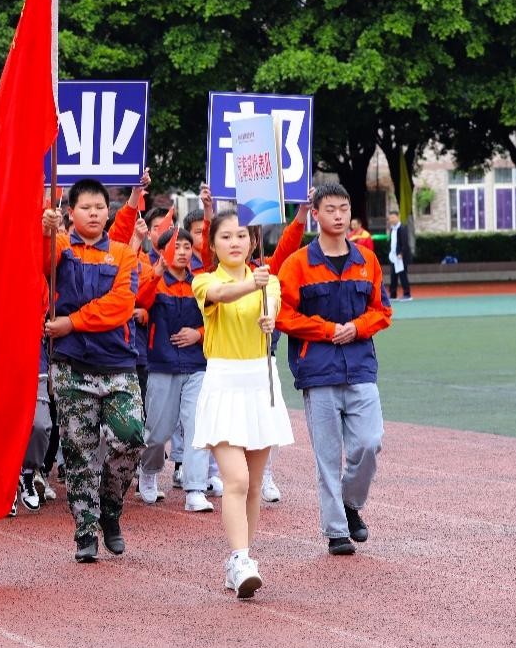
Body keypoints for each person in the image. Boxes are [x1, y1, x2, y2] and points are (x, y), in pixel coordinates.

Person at [276, 183, 392, 556]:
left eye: (344, 208)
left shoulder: (366, 261)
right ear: (316, 214)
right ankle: (336, 531)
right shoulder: (298, 264)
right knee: (327, 455)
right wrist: (327, 331)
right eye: (330, 209)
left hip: (360, 368)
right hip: (318, 370)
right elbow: (283, 315)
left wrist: (357, 328)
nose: (339, 215)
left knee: (369, 443)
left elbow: (382, 310)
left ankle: (351, 503)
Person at [41, 179, 147, 563]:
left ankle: (110, 508)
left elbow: (121, 304)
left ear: (108, 211)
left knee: (132, 436)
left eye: (99, 207)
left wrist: (73, 322)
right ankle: (85, 532)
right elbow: (40, 264)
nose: (93, 213)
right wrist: (44, 230)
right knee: (78, 453)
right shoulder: (62, 246)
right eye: (85, 207)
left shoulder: (122, 253)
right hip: (70, 366)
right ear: (71, 212)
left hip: (117, 363)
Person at [191, 211, 294, 598]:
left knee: (252, 485)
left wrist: (269, 319)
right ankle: (239, 558)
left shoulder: (271, 282)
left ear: (253, 242)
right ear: (214, 243)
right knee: (234, 479)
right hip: (223, 384)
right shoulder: (205, 282)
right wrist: (254, 284)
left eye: (242, 236)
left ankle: (243, 557)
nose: (235, 242)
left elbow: (273, 313)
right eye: (225, 236)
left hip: (260, 383)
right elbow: (222, 296)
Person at [135, 227, 215, 512]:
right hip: (162, 364)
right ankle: (149, 470)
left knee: (197, 428)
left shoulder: (201, 283)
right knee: (158, 431)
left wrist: (200, 334)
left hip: (197, 365)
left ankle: (195, 489)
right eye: (175, 247)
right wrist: (155, 273)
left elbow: (218, 318)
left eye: (186, 246)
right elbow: (139, 301)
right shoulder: (155, 281)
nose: (182, 252)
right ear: (163, 252)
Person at [387, 210, 412, 301]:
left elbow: (405, 243)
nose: (392, 219)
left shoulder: (402, 228)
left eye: (393, 217)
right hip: (393, 257)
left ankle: (407, 294)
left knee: (402, 275)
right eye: (390, 218)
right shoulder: (392, 229)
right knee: (393, 275)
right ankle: (393, 294)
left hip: (401, 257)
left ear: (398, 217)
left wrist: (401, 254)